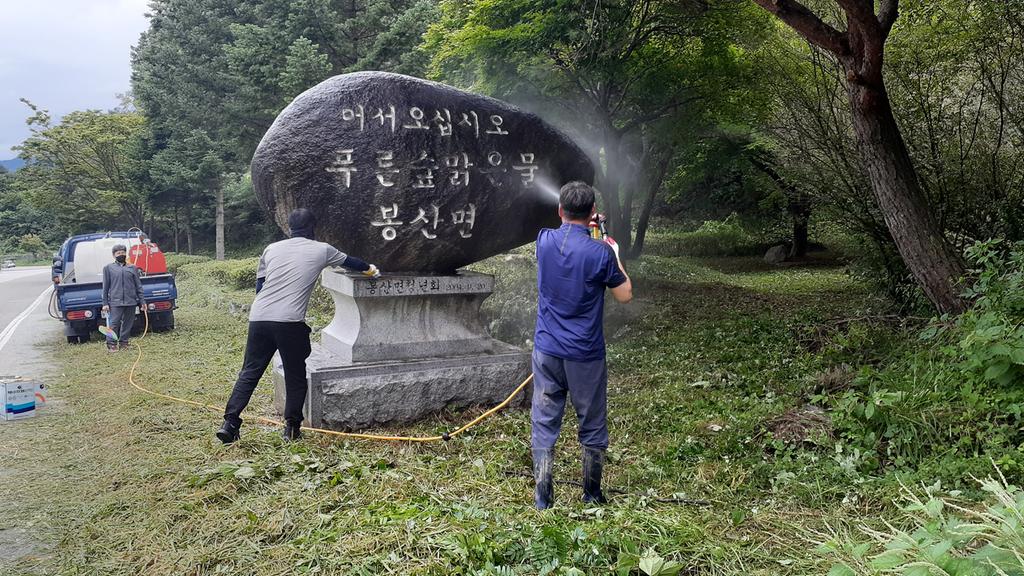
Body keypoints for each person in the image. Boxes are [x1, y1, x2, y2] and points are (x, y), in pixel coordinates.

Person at [217, 208, 381, 444]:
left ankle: (230, 423)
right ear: (313, 228)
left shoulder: (271, 249)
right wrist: (372, 271)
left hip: (259, 317)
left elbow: (260, 286)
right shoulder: (322, 249)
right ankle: (292, 429)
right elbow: (353, 263)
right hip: (290, 322)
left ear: (290, 228)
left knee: (250, 372)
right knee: (295, 374)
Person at [531, 181, 633, 509]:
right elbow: (624, 294)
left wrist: (587, 228)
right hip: (584, 356)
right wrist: (613, 252)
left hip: (547, 350)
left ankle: (543, 499)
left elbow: (569, 241)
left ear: (560, 210)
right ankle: (591, 494)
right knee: (591, 424)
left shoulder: (544, 240)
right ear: (592, 212)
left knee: (544, 423)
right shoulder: (601, 253)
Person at [101, 244, 145, 352]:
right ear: (114, 255)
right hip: (115, 302)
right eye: (118, 253)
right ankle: (111, 344)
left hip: (131, 301)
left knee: (128, 323)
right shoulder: (108, 268)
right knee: (114, 323)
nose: (121, 254)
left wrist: (142, 301)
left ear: (126, 253)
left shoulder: (133, 268)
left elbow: (138, 286)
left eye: (123, 252)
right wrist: (105, 303)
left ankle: (124, 343)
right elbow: (105, 287)